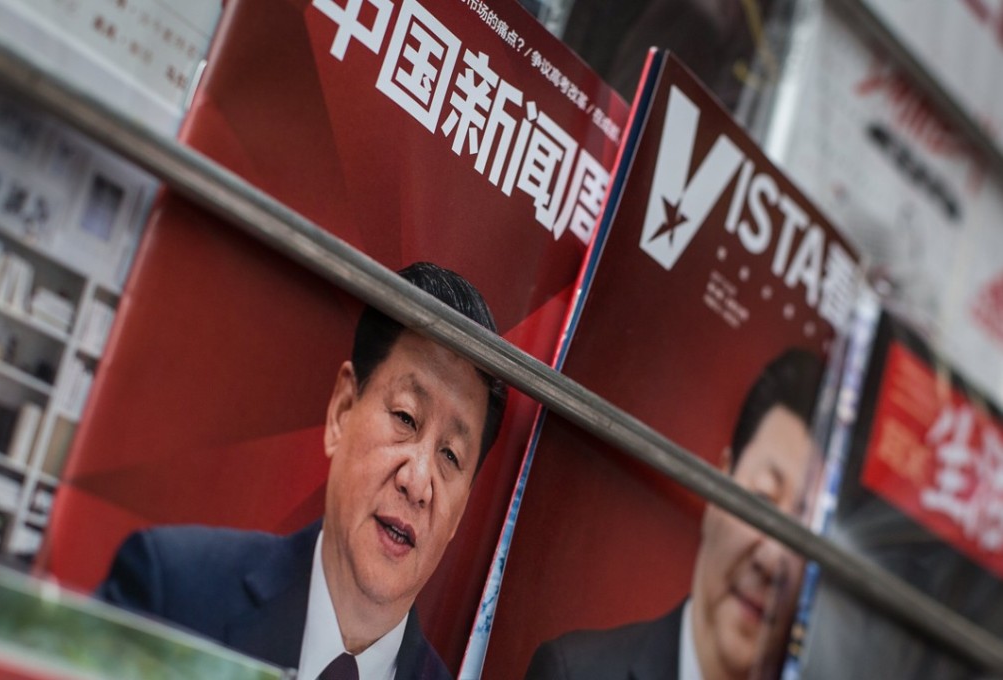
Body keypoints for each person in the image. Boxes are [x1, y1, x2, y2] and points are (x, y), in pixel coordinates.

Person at [97, 262, 507, 680]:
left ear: (461, 511)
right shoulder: (172, 592)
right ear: (342, 410)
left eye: (451, 456)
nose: (417, 481)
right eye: (405, 417)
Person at [525, 349, 824, 680]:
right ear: (717, 486)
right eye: (763, 501)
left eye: (804, 534)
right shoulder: (576, 673)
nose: (771, 559)